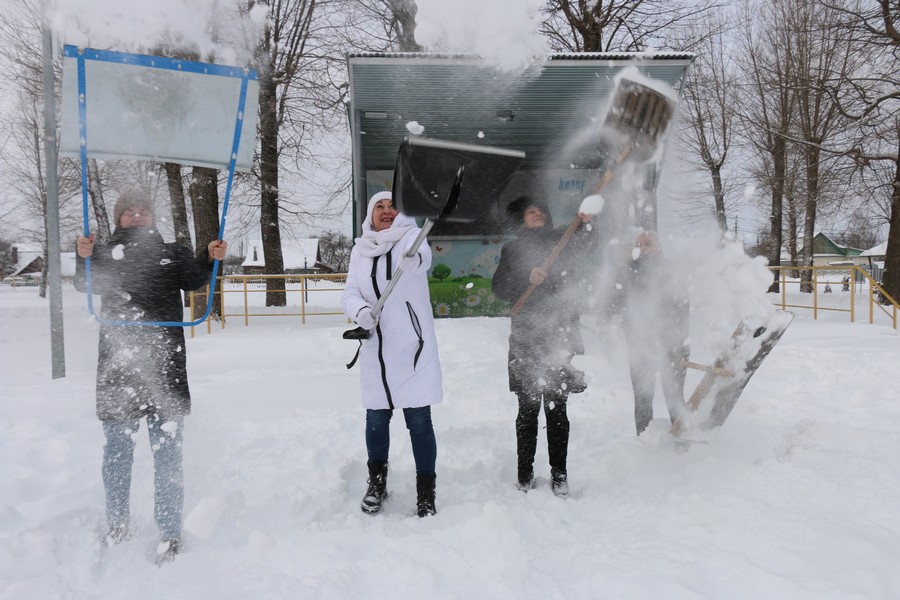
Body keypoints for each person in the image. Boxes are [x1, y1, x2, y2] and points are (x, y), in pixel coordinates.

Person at [75, 188, 227, 563]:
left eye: (144, 211)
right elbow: (86, 284)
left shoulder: (171, 253)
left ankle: (170, 532)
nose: (137, 216)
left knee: (168, 455)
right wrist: (83, 259)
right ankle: (117, 524)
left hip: (165, 368)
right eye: (130, 212)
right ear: (118, 217)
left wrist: (210, 257)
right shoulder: (104, 252)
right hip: (117, 367)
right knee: (117, 453)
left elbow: (195, 280)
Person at [341, 190, 442, 517]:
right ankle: (377, 483)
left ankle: (426, 490)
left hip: (411, 347)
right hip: (375, 351)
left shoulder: (411, 237)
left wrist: (413, 258)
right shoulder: (360, 250)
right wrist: (361, 312)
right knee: (376, 421)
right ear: (370, 214)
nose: (385, 211)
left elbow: (422, 258)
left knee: (419, 422)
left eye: (391, 206)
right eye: (379, 207)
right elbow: (350, 292)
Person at [491, 196, 593, 497]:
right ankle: (525, 472)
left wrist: (586, 226)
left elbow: (585, 246)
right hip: (526, 339)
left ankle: (559, 474)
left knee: (557, 409)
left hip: (558, 337)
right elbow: (498, 287)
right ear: (522, 219)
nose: (536, 215)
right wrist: (526, 277)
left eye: (540, 212)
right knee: (528, 409)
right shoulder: (512, 250)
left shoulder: (561, 241)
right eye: (530, 212)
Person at [618, 230, 689, 436]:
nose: (642, 249)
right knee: (642, 397)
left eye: (647, 244)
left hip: (673, 346)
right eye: (638, 245)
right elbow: (618, 306)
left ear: (658, 247)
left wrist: (669, 341)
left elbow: (681, 309)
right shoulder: (627, 273)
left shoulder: (671, 271)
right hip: (640, 347)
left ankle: (680, 440)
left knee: (674, 395)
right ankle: (644, 439)